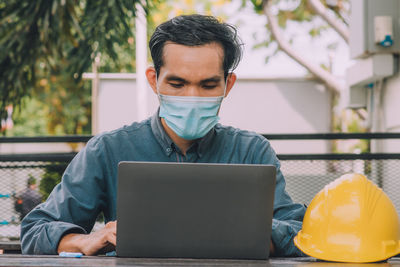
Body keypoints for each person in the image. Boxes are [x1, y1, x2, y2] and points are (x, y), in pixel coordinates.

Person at [21, 14, 306, 256]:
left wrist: (250, 231)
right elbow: (35, 231)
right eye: (177, 83)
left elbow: (299, 231)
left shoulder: (252, 152)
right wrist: (85, 240)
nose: (192, 96)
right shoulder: (108, 150)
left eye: (208, 85)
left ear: (227, 85)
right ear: (153, 80)